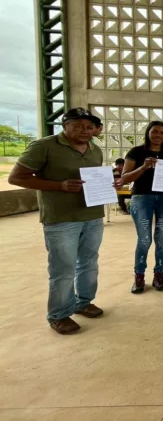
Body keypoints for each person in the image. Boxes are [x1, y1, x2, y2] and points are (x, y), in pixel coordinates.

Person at [9, 108, 117, 335]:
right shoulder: (44, 146)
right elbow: (16, 177)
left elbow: (94, 179)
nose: (84, 131)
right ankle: (59, 314)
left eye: (89, 127)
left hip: (92, 215)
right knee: (63, 268)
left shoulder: (94, 149)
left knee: (89, 262)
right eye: (77, 125)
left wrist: (108, 185)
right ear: (65, 125)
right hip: (61, 218)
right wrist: (59, 186)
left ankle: (83, 301)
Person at [121, 120, 163, 294]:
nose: (159, 136)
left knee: (161, 238)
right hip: (142, 198)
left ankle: (159, 274)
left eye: (162, 133)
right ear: (148, 132)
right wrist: (144, 167)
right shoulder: (136, 152)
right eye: (155, 132)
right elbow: (124, 178)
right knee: (144, 239)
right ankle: (139, 276)